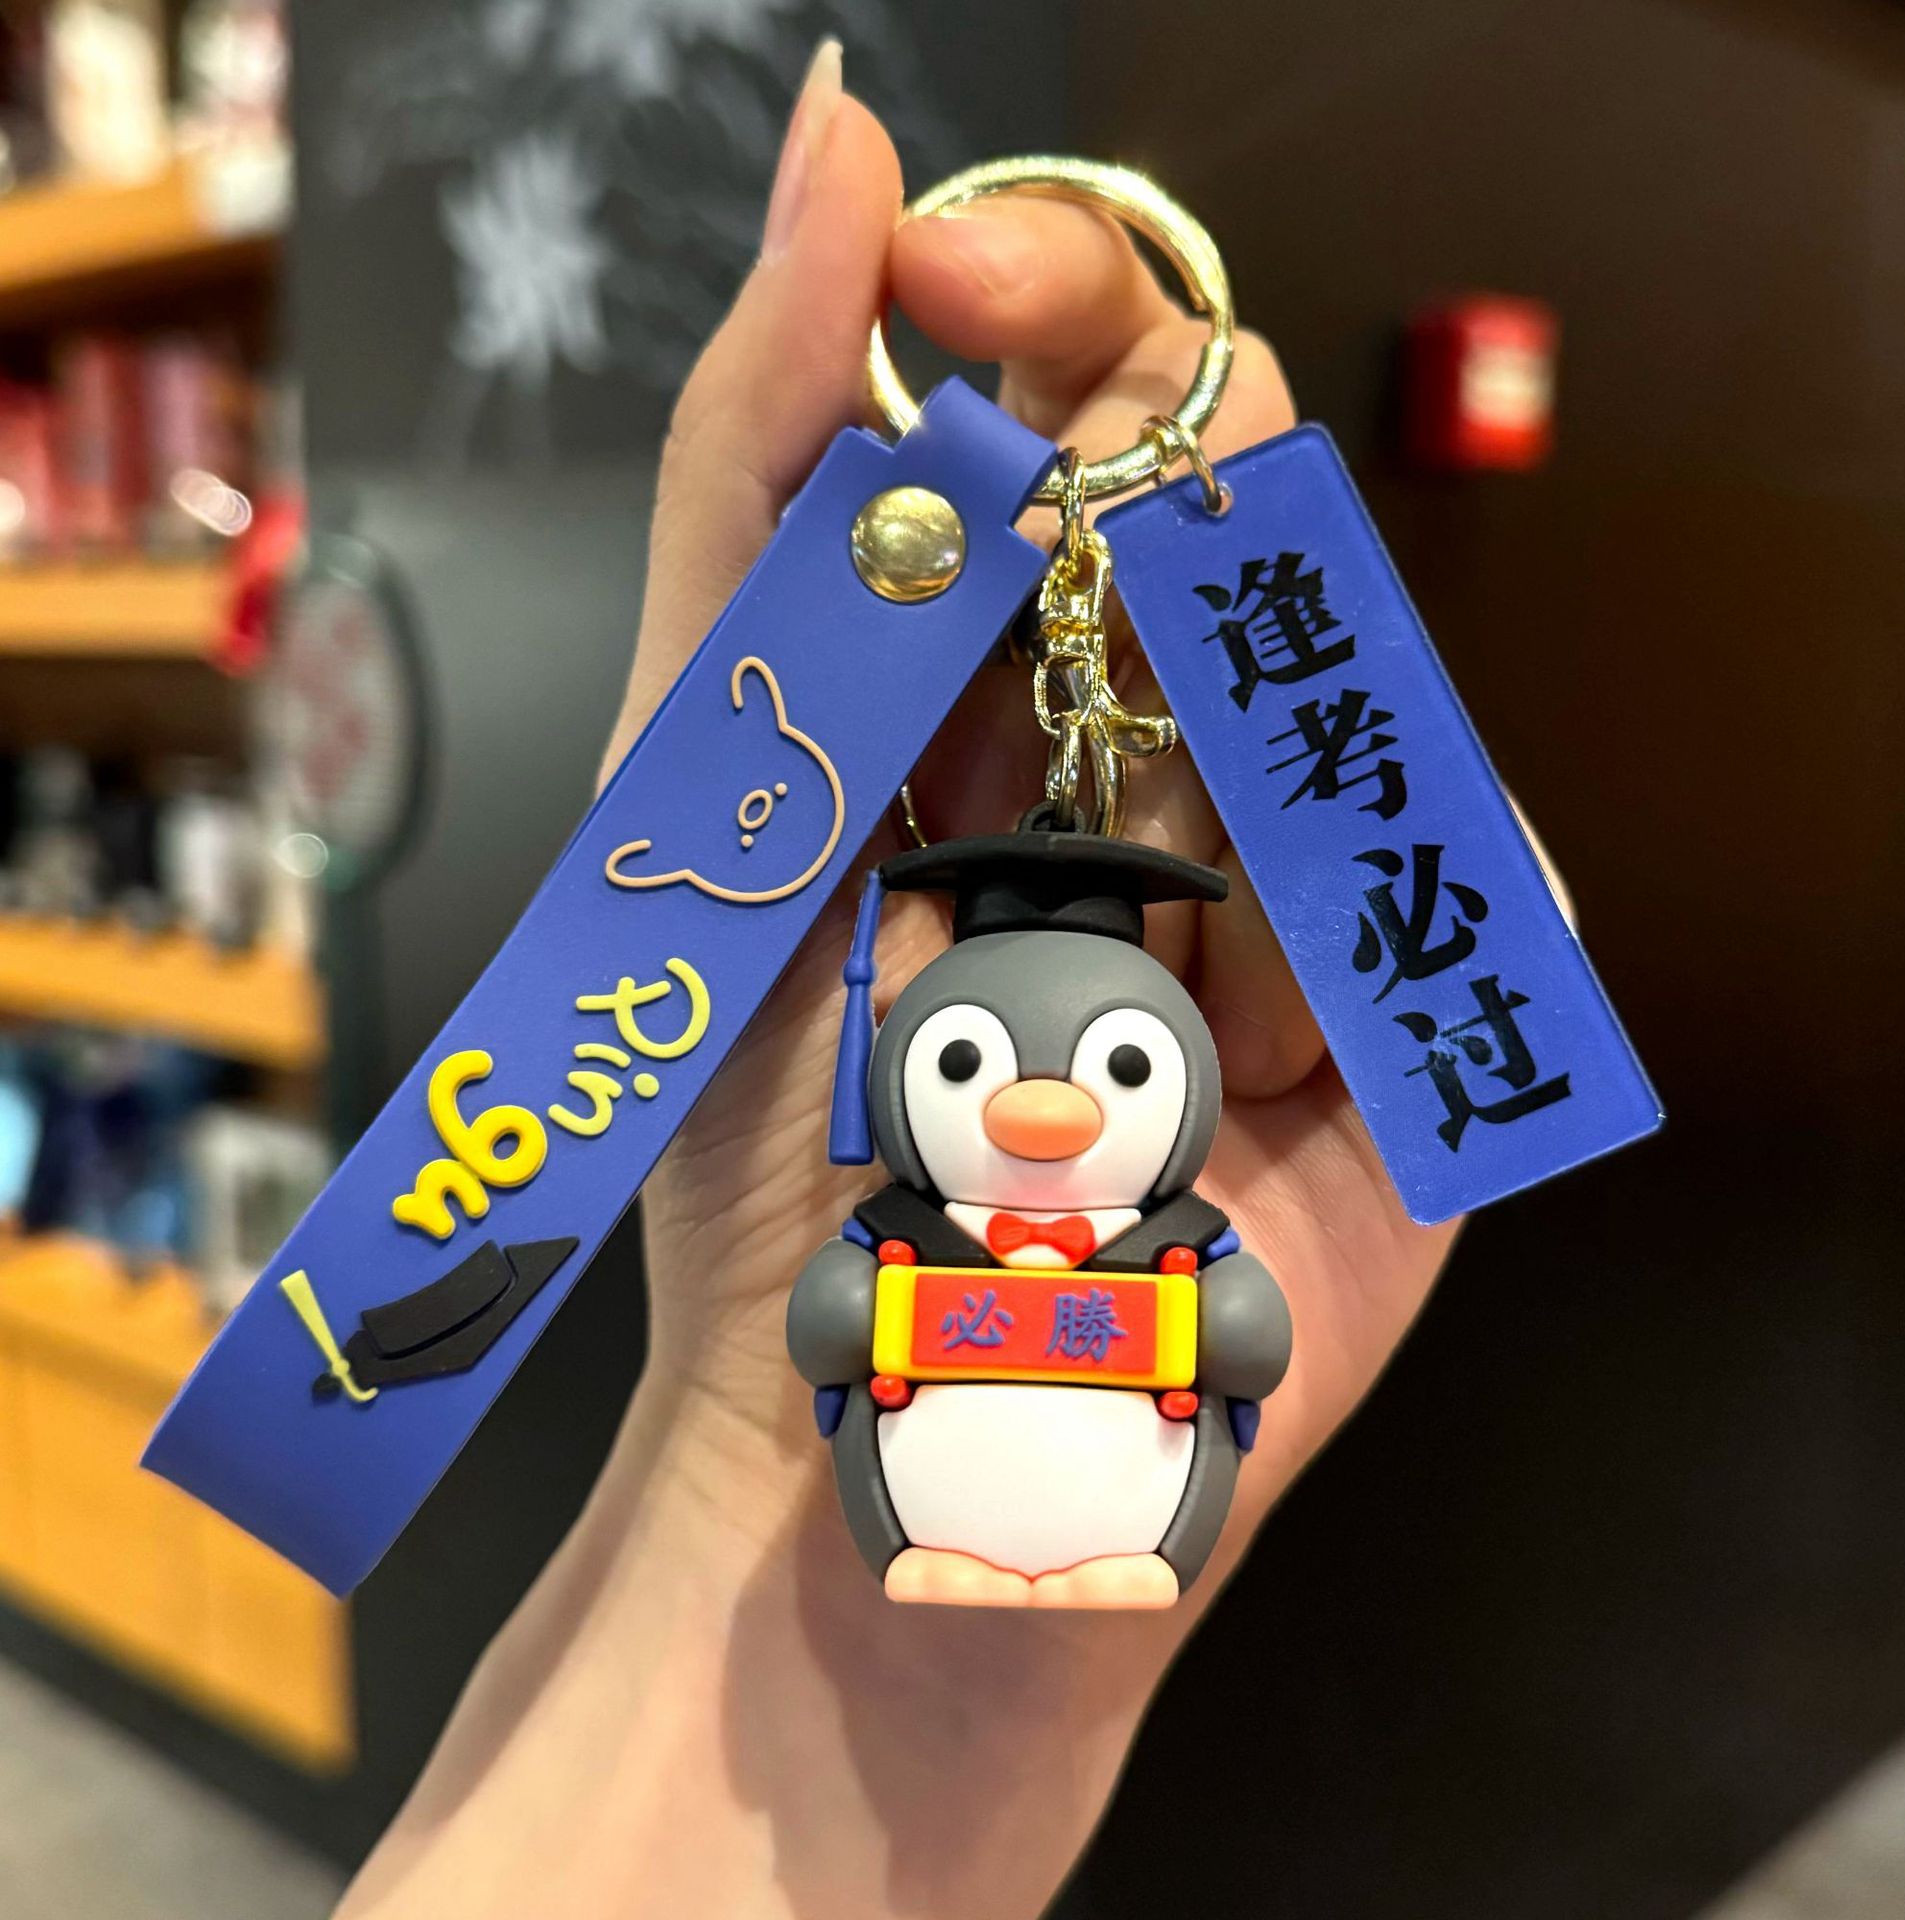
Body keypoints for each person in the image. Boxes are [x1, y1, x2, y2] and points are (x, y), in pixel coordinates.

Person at [337, 39, 1456, 1920]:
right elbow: (831, 1326)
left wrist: (1218, 1317)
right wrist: (788, 1402)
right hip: (919, 1500)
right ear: (896, 1064)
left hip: (1120, 1500)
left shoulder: (1169, 1237)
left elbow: (1236, 1341)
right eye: (977, 1070)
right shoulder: (907, 1220)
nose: (1046, 1104)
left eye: (1118, 1074)